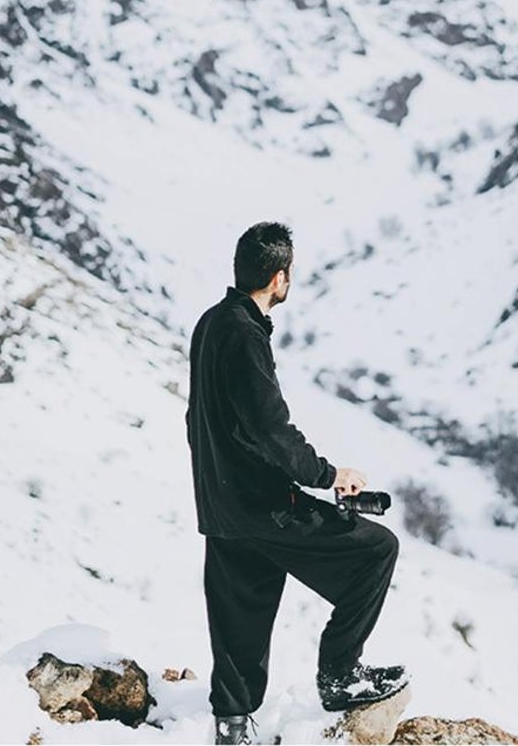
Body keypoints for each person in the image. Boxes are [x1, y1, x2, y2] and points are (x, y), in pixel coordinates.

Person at [185, 221, 409, 746]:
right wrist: (329, 475)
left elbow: (199, 417)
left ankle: (233, 725)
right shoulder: (243, 334)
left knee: (242, 607)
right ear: (279, 278)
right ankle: (340, 675)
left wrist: (216, 482)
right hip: (265, 506)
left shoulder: (211, 323)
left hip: (222, 505)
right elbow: (269, 429)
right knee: (375, 551)